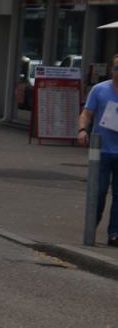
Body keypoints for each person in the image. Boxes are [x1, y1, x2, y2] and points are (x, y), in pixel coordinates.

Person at [79, 54, 118, 247]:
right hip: (102, 151)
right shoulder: (99, 90)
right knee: (99, 191)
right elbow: (87, 113)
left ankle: (115, 233)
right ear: (112, 70)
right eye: (117, 68)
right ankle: (91, 226)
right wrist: (82, 129)